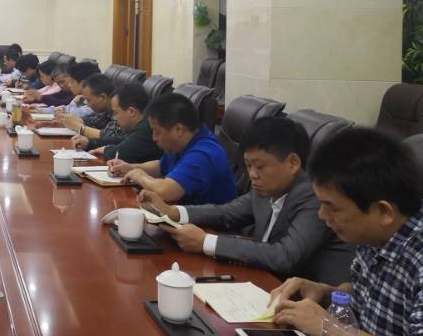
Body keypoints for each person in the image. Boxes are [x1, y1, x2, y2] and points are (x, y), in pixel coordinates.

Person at [271, 128, 423, 336]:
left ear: (383, 211)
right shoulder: (375, 233)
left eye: (332, 207)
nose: (322, 215)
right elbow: (368, 297)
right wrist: (324, 292)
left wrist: (329, 327)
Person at [138, 116, 353, 283]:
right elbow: (225, 213)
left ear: (293, 163)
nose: (252, 175)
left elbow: (285, 256)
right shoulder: (266, 189)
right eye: (248, 166)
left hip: (311, 303)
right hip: (260, 282)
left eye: (259, 166)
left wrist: (205, 242)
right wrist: (174, 212)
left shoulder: (314, 197)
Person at [108, 92, 236, 205]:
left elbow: (165, 191)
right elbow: (161, 166)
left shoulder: (203, 154)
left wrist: (140, 176)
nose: (154, 138)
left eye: (157, 132)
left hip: (206, 224)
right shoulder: (185, 142)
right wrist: (131, 168)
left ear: (178, 130)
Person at [90, 82, 160, 164]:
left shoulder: (146, 128)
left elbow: (120, 154)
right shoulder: (141, 125)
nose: (114, 118)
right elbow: (121, 140)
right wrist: (90, 142)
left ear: (131, 111)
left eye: (116, 113)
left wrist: (105, 149)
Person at [58, 73, 120, 148]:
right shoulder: (105, 109)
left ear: (102, 97)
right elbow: (91, 120)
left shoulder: (120, 109)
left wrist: (78, 127)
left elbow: (109, 137)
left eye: (88, 100)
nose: (87, 104)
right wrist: (70, 120)